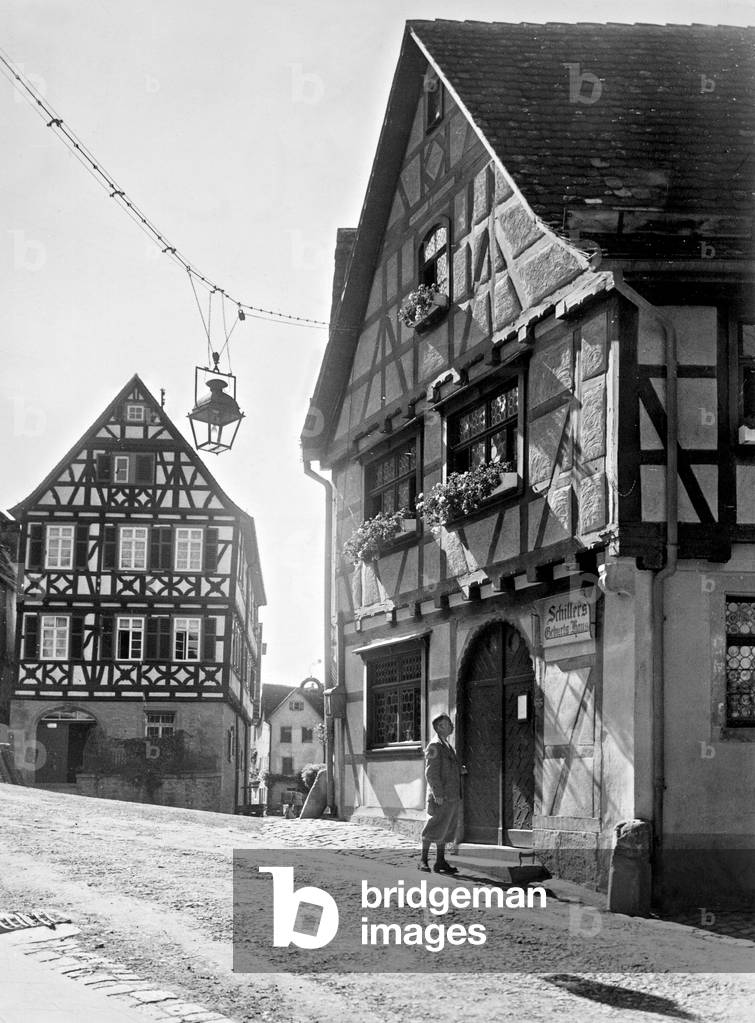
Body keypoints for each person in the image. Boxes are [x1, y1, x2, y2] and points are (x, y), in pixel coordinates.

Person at [420, 713, 462, 874]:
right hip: (439, 796)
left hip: (450, 795)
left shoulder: (447, 745)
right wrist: (438, 794)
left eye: (450, 723)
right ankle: (423, 861)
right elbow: (431, 773)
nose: (451, 725)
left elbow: (446, 767)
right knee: (433, 827)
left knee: (446, 827)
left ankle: (440, 861)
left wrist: (459, 770)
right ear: (439, 727)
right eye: (447, 723)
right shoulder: (434, 746)